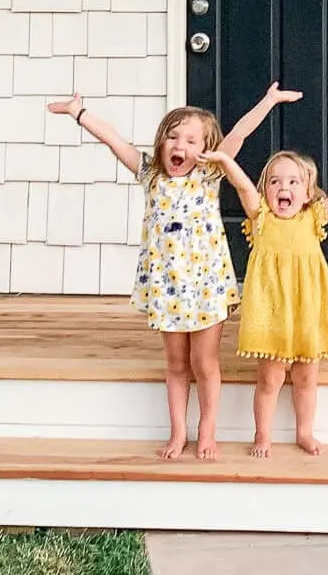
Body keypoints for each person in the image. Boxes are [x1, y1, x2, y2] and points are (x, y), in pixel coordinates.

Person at [48, 83, 299, 460]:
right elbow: (114, 140)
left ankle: (207, 429)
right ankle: (178, 431)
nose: (179, 145)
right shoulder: (151, 175)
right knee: (177, 365)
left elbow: (240, 134)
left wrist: (268, 100)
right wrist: (78, 113)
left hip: (207, 287)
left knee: (205, 362)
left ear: (205, 150)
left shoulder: (209, 175)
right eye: (172, 136)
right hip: (166, 289)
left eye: (191, 140)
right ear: (161, 143)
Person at [208, 148, 328, 456]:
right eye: (274, 182)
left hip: (307, 311)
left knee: (306, 377)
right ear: (265, 191)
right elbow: (243, 185)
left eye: (293, 182)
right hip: (271, 314)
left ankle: (304, 431)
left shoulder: (314, 217)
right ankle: (262, 434)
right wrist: (225, 162)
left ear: (308, 193)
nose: (283, 188)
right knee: (270, 379)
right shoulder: (261, 218)